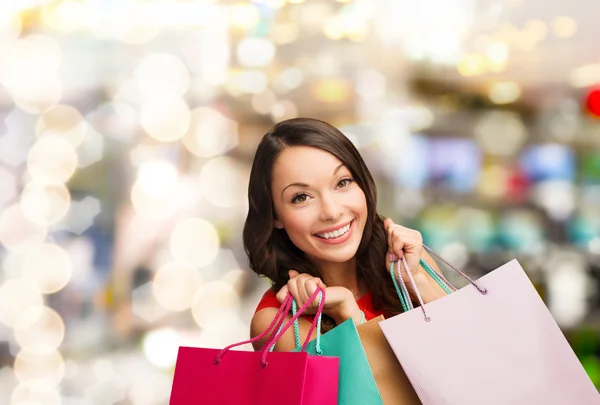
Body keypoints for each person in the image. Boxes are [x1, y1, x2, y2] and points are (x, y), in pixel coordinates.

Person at [244, 118, 448, 352]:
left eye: (342, 182)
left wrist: (417, 281)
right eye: (301, 197)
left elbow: (475, 348)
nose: (332, 211)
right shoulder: (279, 323)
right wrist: (348, 314)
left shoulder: (410, 264)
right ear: (275, 216)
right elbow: (388, 388)